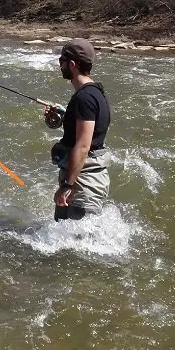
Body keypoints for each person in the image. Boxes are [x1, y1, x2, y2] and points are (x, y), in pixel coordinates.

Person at [43, 39, 111, 221]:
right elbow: (88, 132)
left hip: (83, 184)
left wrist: (67, 185)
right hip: (82, 180)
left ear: (72, 65)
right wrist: (63, 117)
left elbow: (83, 145)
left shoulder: (85, 98)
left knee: (77, 246)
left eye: (61, 62)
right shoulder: (95, 93)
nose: (60, 66)